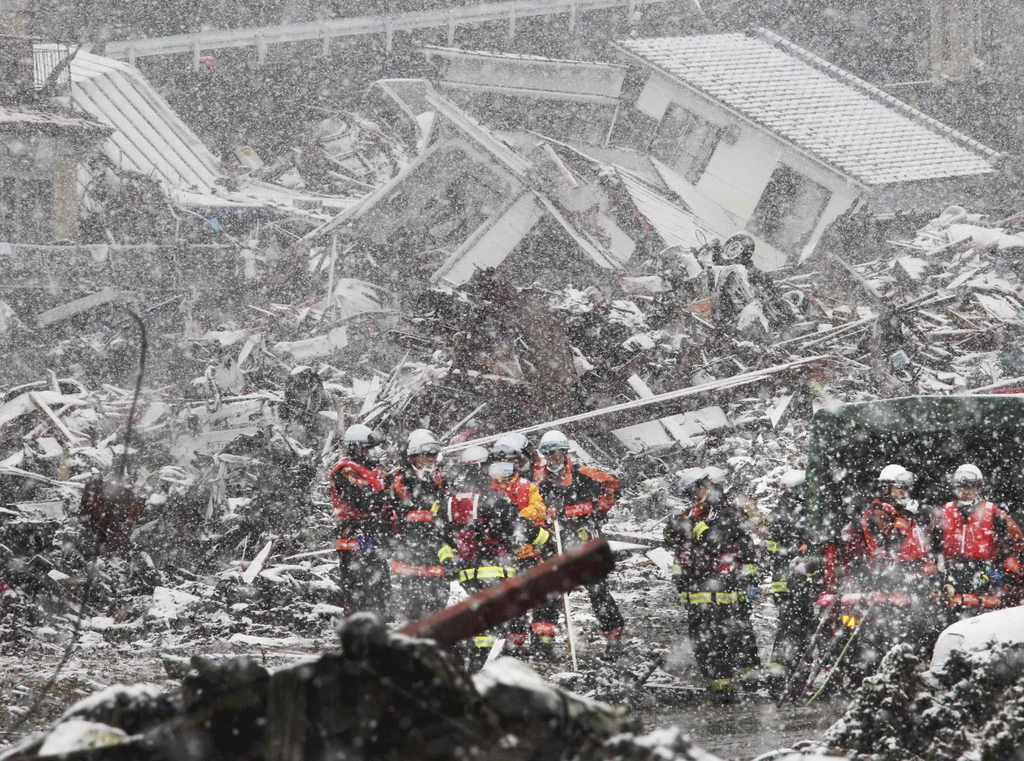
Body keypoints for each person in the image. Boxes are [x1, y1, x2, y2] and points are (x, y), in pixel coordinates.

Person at [439, 452, 552, 669]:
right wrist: (546, 540)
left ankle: (462, 656)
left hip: (467, 573)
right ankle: (474, 665)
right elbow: (518, 524)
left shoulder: (449, 502)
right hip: (495, 570)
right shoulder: (491, 499)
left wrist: (450, 560)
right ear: (484, 470)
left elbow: (438, 536)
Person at [665, 466, 760, 698]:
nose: (692, 499)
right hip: (697, 589)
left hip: (727, 587)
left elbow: (717, 541)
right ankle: (720, 686)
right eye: (688, 495)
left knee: (737, 635)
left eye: (693, 493)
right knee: (704, 639)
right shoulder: (692, 514)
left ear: (705, 486)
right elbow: (677, 545)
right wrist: (675, 527)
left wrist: (695, 528)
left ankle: (750, 681)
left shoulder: (728, 511)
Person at [533, 430, 625, 651]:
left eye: (554, 452)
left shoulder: (584, 474)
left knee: (597, 590)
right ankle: (543, 642)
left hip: (583, 540)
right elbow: (532, 510)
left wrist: (597, 510)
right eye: (546, 453)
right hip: (555, 541)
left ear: (564, 452)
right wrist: (544, 518)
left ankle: (614, 638)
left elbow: (612, 485)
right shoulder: (539, 483)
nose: (550, 457)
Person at [854, 464, 936, 669]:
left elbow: (918, 545)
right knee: (892, 629)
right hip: (890, 577)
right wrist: (906, 517)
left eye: (905, 488)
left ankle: (910, 668)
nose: (903, 492)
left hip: (912, 577)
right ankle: (885, 670)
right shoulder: (878, 512)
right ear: (886, 489)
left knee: (917, 626)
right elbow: (890, 542)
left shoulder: (902, 512)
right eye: (898, 487)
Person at [928, 464, 1024, 622]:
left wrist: (1003, 574)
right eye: (961, 487)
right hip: (952, 582)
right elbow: (928, 547)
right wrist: (935, 577)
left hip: (986, 583)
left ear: (979, 488)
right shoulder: (945, 513)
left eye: (970, 487)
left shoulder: (993, 513)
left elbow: (1018, 546)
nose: (965, 492)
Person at [489, 436, 552, 653]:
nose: (502, 470)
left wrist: (515, 517)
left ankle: (543, 641)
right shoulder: (490, 490)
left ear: (516, 464)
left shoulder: (527, 487)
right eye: (497, 466)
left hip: (528, 553)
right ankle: (514, 642)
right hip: (502, 555)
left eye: (506, 465)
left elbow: (539, 509)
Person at [764, 469, 819, 695]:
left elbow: (773, 552)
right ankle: (793, 681)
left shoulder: (780, 511)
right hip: (797, 583)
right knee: (800, 631)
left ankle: (780, 680)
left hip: (784, 584)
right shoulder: (801, 513)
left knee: (788, 631)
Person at [388, 429, 451, 621]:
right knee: (413, 604)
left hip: (437, 550)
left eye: (433, 455)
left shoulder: (442, 479)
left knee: (438, 601)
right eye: (426, 456)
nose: (431, 460)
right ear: (413, 457)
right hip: (411, 552)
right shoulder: (400, 481)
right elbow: (393, 514)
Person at [330, 424, 392, 617]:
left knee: (380, 585)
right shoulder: (346, 471)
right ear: (355, 448)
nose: (372, 452)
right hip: (355, 536)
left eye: (373, 448)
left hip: (374, 534)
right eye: (367, 448)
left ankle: (377, 626)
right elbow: (364, 501)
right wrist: (387, 492)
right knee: (359, 586)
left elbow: (393, 492)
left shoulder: (376, 470)